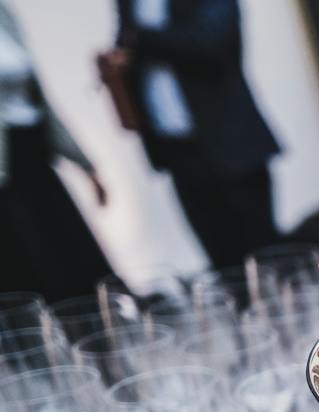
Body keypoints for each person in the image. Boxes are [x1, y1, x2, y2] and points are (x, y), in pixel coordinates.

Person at [111, 0, 280, 268]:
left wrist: (139, 40)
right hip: (174, 148)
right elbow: (123, 44)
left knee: (266, 255)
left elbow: (211, 43)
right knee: (221, 260)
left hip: (230, 139)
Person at [0, 1, 113, 301]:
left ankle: (97, 336)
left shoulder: (4, 14)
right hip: (4, 170)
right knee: (28, 267)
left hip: (33, 152)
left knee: (71, 256)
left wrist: (86, 164)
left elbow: (41, 98)